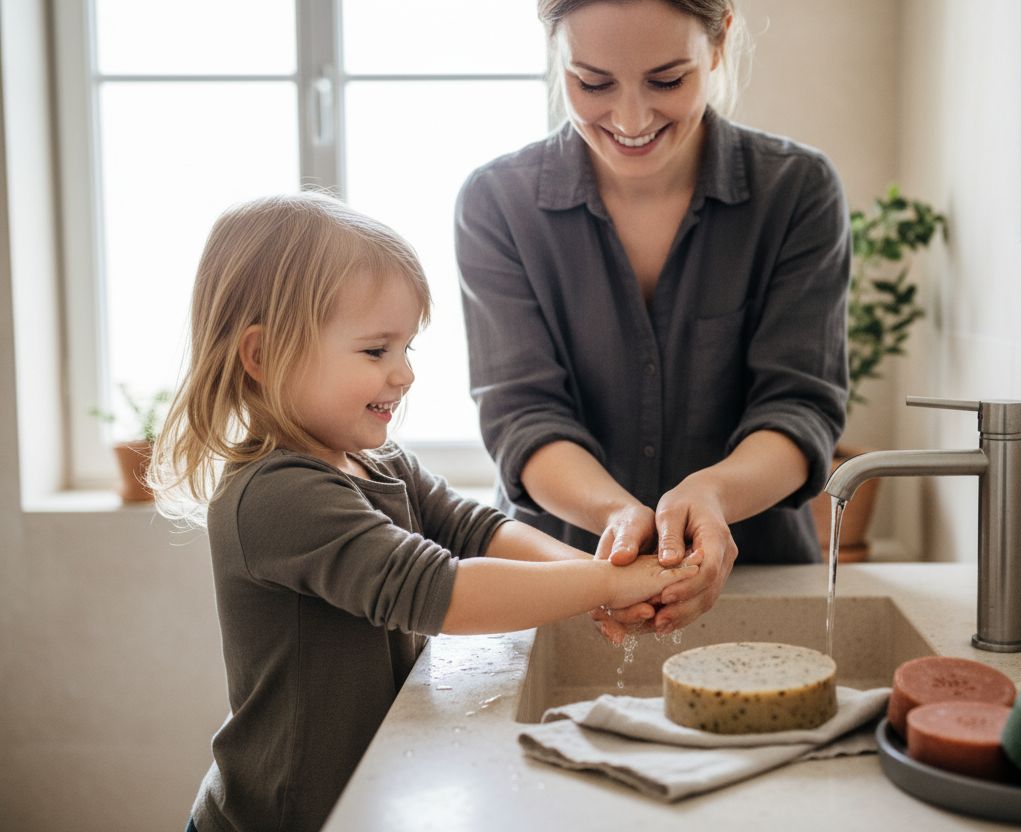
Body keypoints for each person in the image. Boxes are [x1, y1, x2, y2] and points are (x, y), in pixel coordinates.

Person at [149, 192, 700, 832]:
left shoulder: (377, 463)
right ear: (263, 356)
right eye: (375, 351)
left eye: (407, 348)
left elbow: (476, 529)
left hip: (355, 804)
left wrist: (595, 575)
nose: (404, 374)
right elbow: (439, 591)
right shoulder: (276, 495)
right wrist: (607, 583)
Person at [455, 0, 849, 640]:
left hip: (758, 582)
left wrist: (713, 495)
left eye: (667, 80)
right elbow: (523, 415)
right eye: (593, 83)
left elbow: (799, 407)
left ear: (718, 45)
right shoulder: (496, 203)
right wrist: (616, 516)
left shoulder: (797, 191)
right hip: (561, 583)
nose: (630, 119)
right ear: (555, 52)